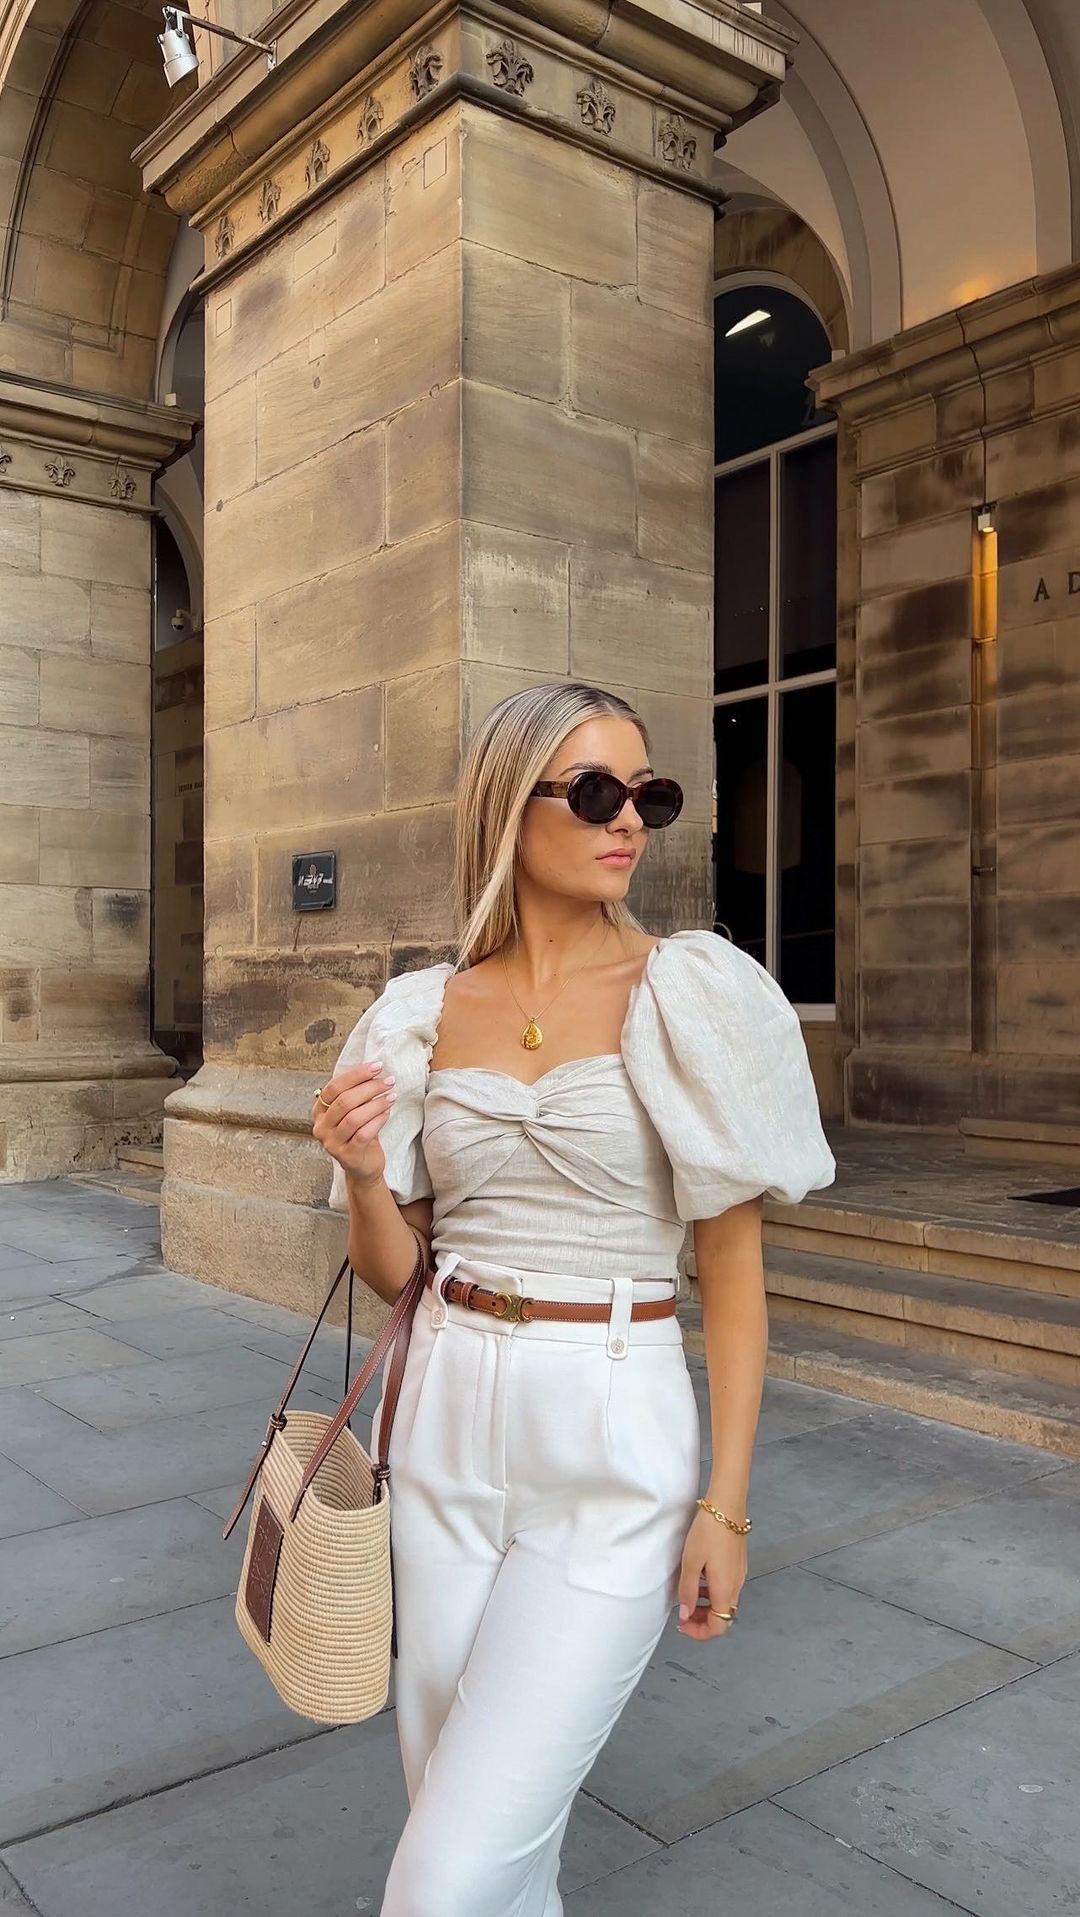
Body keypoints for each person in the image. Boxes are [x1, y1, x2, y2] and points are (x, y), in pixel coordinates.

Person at [313, 680, 835, 1916]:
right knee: (478, 1835)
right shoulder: (422, 1013)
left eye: (649, 794)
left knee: (443, 1881)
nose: (630, 821)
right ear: (511, 805)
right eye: (597, 792)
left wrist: (727, 1506)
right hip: (439, 1421)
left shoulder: (690, 992)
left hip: (610, 1430)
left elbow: (731, 1274)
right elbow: (396, 1274)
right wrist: (363, 1175)